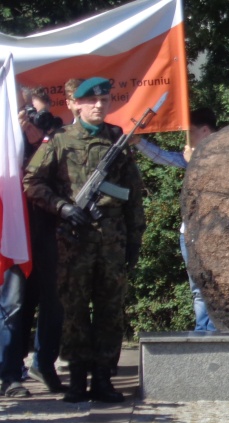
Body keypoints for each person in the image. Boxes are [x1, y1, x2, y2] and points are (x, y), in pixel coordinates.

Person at [22, 77, 146, 403]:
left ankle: (103, 378)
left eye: (104, 101)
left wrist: (134, 239)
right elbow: (33, 183)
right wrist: (61, 207)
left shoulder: (117, 140)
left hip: (112, 240)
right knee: (74, 310)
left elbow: (132, 194)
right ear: (75, 104)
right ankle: (77, 379)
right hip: (74, 241)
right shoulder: (60, 141)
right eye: (91, 101)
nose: (99, 106)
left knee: (110, 311)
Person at [0, 87, 68, 397]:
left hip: (46, 232)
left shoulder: (52, 134)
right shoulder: (6, 142)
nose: (29, 116)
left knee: (52, 303)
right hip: (14, 233)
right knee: (15, 305)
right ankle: (10, 372)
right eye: (24, 110)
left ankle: (42, 363)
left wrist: (39, 126)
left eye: (33, 109)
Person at [132, 108, 219, 332]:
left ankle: (217, 331)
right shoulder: (190, 156)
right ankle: (202, 332)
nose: (186, 138)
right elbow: (163, 157)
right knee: (198, 288)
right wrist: (139, 142)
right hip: (189, 232)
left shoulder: (225, 155)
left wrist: (194, 164)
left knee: (217, 286)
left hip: (215, 232)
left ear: (205, 130)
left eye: (190, 132)